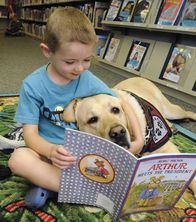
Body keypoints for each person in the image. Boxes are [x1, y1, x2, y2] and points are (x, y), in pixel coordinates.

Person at [8, 8, 143, 208]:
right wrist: (51, 150)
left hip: (87, 153)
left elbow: (121, 101)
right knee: (18, 160)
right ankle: (85, 190)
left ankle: (54, 187)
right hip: (49, 153)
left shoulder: (87, 79)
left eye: (87, 60)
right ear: (47, 51)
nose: (79, 69)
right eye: (70, 62)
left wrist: (138, 138)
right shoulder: (32, 85)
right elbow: (30, 135)